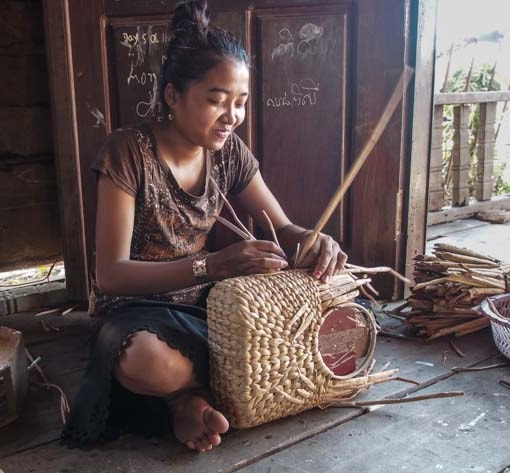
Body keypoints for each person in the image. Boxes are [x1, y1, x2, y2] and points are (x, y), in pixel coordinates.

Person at [61, 0, 347, 453]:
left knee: (279, 332)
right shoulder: (127, 153)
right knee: (149, 362)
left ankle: (186, 403)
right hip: (135, 311)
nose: (231, 116)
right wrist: (210, 265)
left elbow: (283, 225)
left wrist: (312, 240)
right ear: (173, 96)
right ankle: (194, 395)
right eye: (216, 100)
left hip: (205, 307)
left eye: (241, 103)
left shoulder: (228, 153)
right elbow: (110, 274)